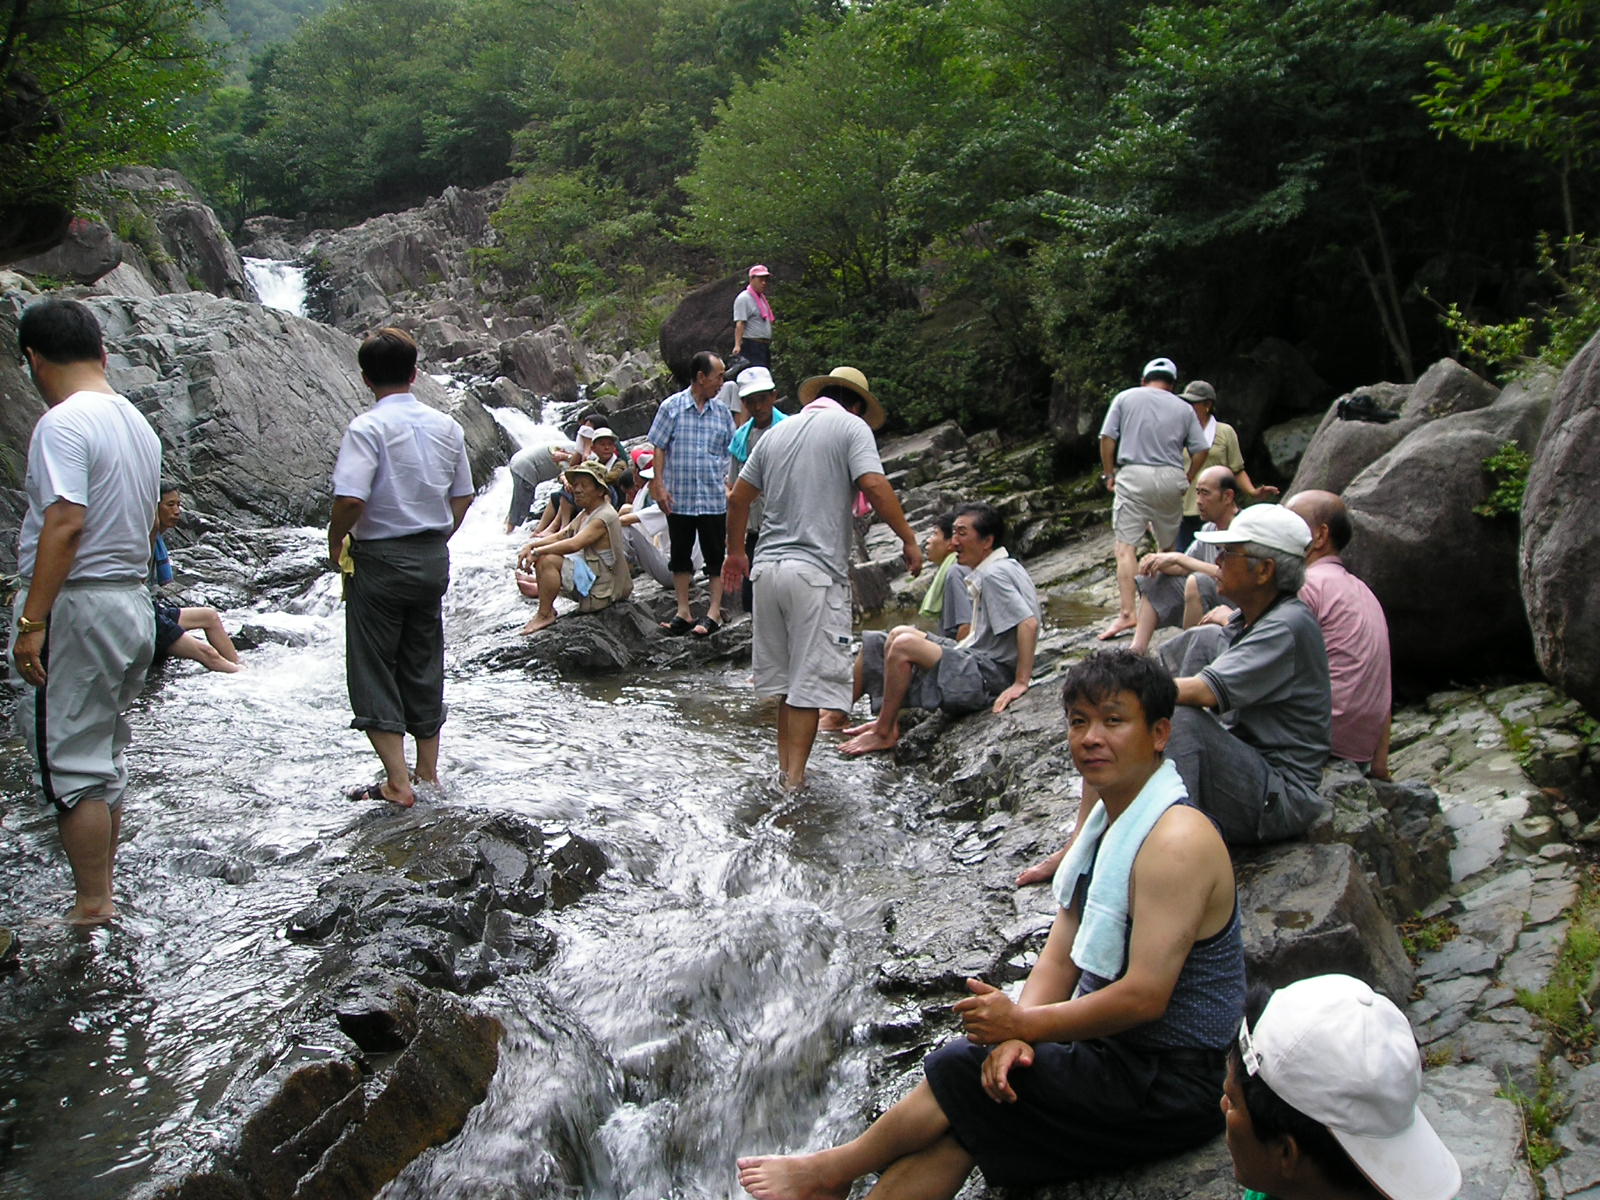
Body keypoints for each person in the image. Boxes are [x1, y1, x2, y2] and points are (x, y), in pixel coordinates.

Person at [737, 650, 1243, 1200]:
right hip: (1112, 1055)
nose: (1091, 738)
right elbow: (1061, 950)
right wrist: (1019, 1029)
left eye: (1113, 721)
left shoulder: (1176, 842)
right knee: (974, 1113)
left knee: (960, 1067)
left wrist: (1025, 1029)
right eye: (1079, 722)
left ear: (1160, 732)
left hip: (1169, 1082)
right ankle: (832, 1178)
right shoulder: (1111, 822)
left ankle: (833, 1170)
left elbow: (1146, 997)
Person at [1020, 504, 1330, 889]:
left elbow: (1200, 691)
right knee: (1192, 648)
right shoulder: (1247, 619)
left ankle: (1171, 858)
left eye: (1229, 553)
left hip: (1280, 796)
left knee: (1171, 719)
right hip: (1247, 768)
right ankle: (1086, 840)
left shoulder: (1287, 626)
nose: (1217, 561)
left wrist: (1119, 694)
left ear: (1264, 570)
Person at [9, 297, 163, 925]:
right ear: (103, 353)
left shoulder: (64, 424)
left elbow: (66, 521)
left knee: (69, 759)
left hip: (79, 606)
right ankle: (103, 889)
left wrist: (31, 622)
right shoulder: (137, 423)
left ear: (33, 360)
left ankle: (92, 903)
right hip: (131, 602)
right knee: (105, 753)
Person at [722, 365, 922, 791]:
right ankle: (795, 784)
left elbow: (738, 497)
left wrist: (736, 553)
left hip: (767, 573)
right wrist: (908, 538)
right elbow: (873, 484)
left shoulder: (777, 432)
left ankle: (785, 774)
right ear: (856, 404)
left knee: (785, 687)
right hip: (814, 574)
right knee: (808, 688)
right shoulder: (851, 427)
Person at [329, 328, 474, 809]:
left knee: (372, 665)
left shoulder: (366, 428)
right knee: (423, 658)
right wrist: (439, 538)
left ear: (366, 378)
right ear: (415, 374)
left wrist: (336, 539)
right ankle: (428, 771)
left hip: (381, 560)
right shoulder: (448, 427)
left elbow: (351, 498)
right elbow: (463, 496)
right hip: (432, 557)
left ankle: (398, 780)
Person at [1225, 974, 1461, 1200]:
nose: (1223, 1105)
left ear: (1286, 1152)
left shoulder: (1273, 1188)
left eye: (1233, 1101)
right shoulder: (1273, 1189)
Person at [840, 502, 1039, 758]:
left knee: (903, 646)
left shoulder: (993, 575)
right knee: (898, 634)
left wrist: (1021, 682)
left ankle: (884, 731)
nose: (954, 542)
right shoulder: (1002, 566)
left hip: (991, 676)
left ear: (987, 540)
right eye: (953, 533)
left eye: (962, 534)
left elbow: (1028, 623)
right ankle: (869, 719)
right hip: (980, 660)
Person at [1097, 357, 1209, 641]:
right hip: (1171, 477)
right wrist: (1188, 477)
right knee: (1168, 548)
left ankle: (1128, 615)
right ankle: (1168, 606)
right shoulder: (1184, 408)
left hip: (1133, 474)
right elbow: (1201, 449)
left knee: (1126, 548)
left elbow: (1107, 438)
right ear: (1172, 385)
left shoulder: (1125, 397)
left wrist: (1109, 474)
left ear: (1144, 380)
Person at [1286, 490, 1393, 778]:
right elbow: (1383, 681)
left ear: (1320, 536)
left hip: (1316, 740)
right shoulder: (1364, 591)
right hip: (1359, 746)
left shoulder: (1306, 584)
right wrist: (1380, 763)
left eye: (1290, 523)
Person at [648, 350, 736, 638]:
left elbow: (730, 452)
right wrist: (658, 484)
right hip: (680, 494)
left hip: (712, 496)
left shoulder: (722, 413)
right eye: (718, 376)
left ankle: (713, 612)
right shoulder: (671, 407)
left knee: (714, 555)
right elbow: (659, 447)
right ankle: (683, 611)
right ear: (701, 377)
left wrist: (727, 482)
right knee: (680, 554)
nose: (722, 382)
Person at [1128, 465, 1241, 655]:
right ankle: (1136, 651)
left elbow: (1227, 574)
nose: (1198, 501)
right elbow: (1185, 565)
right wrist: (1159, 563)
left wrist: (1178, 558)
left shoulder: (1244, 527)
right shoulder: (1208, 530)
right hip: (1213, 595)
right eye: (1197, 493)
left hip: (1238, 604)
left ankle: (1189, 655)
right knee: (1157, 577)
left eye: (1205, 494)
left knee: (1197, 581)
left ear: (1228, 496)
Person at [516, 459, 633, 634]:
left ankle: (544, 613)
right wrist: (532, 545)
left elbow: (574, 543)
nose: (576, 490)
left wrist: (538, 551)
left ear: (600, 490)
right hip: (595, 579)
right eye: (576, 484)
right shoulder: (587, 513)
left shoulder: (604, 515)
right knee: (545, 556)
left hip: (604, 591)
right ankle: (546, 609)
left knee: (547, 560)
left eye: (584, 485)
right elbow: (563, 535)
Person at [150, 482, 242, 673]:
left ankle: (241, 666)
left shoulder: (157, 538)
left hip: (153, 608)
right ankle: (247, 678)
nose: (177, 511)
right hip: (143, 615)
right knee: (209, 654)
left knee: (209, 616)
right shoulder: (145, 539)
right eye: (170, 505)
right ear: (154, 507)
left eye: (178, 504)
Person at [1174, 380, 1278, 546]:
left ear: (1208, 405)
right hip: (1183, 510)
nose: (1188, 408)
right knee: (1184, 559)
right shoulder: (1177, 432)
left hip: (1217, 508)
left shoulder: (1224, 432)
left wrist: (1253, 492)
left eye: (1193, 404)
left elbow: (1236, 469)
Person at [727, 365, 787, 611]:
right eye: (751, 401)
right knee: (754, 601)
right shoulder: (741, 438)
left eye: (763, 399)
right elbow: (732, 488)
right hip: (755, 531)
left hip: (788, 528)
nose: (759, 406)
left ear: (774, 396)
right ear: (744, 403)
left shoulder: (791, 429)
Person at [918, 509, 973, 641]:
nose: (928, 541)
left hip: (964, 652)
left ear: (950, 543)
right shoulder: (956, 567)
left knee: (896, 638)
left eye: (935, 534)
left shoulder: (956, 571)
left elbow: (967, 628)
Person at [504, 436, 576, 532]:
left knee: (518, 502)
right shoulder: (573, 454)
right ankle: (508, 532)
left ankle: (506, 526)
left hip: (520, 460)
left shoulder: (574, 447)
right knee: (521, 506)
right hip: (525, 467)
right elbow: (565, 475)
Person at [732, 264, 774, 368]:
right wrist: (737, 345)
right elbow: (740, 322)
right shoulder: (744, 298)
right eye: (760, 280)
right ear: (751, 279)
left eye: (765, 280)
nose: (763, 283)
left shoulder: (761, 299)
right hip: (752, 344)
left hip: (764, 345)